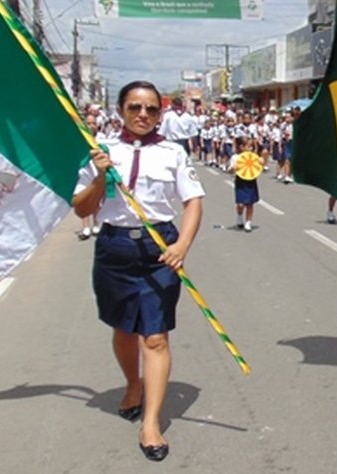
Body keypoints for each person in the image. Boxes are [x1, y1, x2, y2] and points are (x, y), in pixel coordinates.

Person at [72, 80, 205, 461]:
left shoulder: (173, 153)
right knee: (124, 329)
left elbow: (193, 202)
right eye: (134, 107)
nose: (143, 115)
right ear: (121, 111)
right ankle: (133, 383)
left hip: (159, 249)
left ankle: (151, 422)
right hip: (114, 248)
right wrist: (100, 177)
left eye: (150, 109)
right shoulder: (101, 151)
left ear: (159, 114)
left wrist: (182, 246)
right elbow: (82, 210)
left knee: (156, 337)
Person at [229, 136, 261, 232]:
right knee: (241, 203)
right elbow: (229, 171)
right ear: (241, 147)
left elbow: (259, 165)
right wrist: (233, 168)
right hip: (240, 181)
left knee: (250, 203)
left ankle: (248, 222)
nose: (251, 148)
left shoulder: (253, 157)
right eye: (249, 146)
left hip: (251, 180)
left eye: (251, 146)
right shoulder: (235, 157)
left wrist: (262, 161)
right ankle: (239, 216)